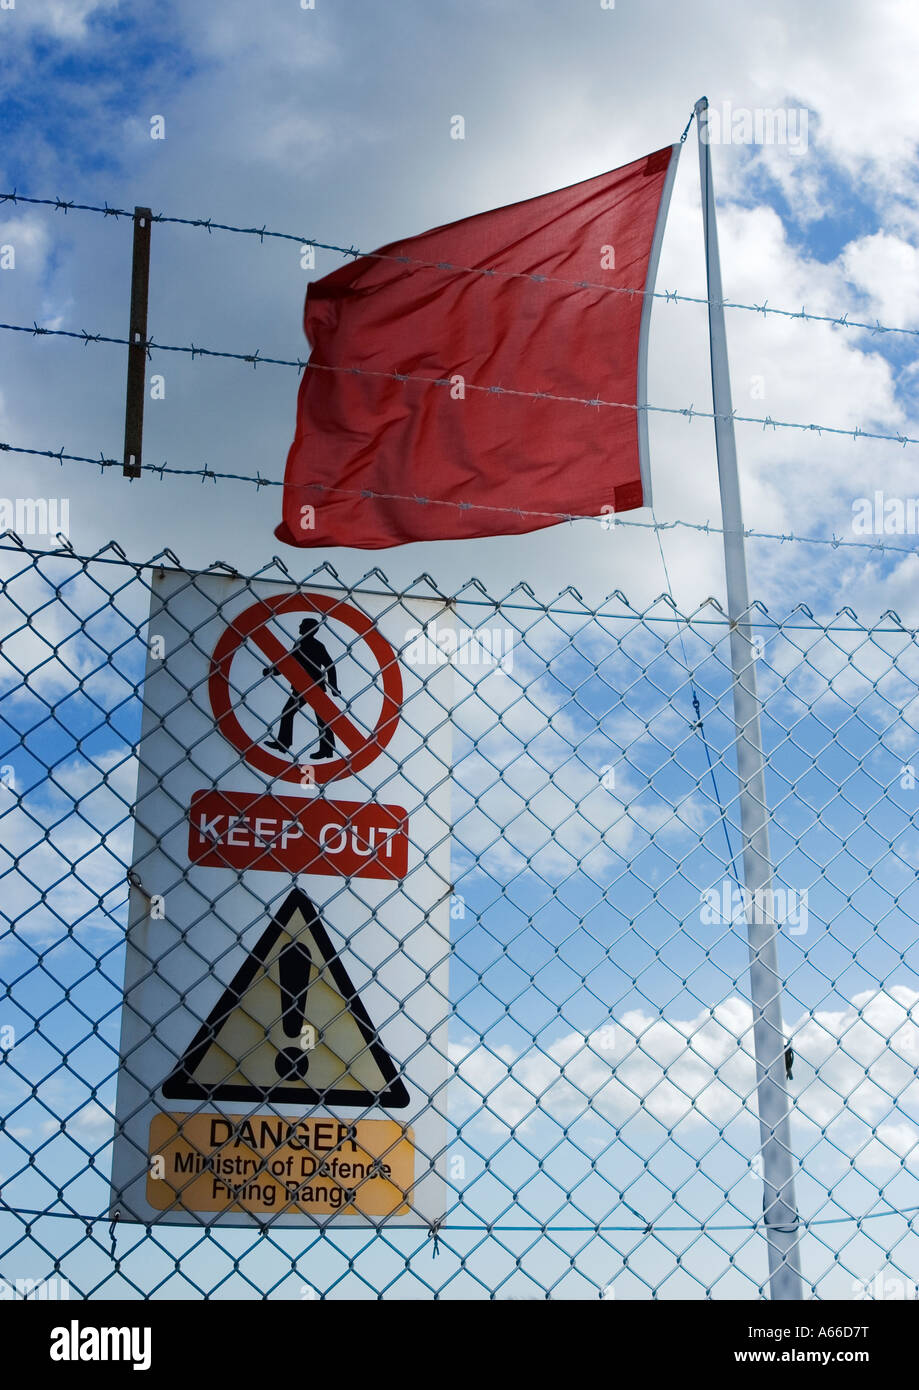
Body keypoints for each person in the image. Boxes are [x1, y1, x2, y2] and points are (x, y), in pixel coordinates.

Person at [263, 617, 340, 759]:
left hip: (314, 686)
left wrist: (334, 687)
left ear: (308, 629)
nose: (299, 625)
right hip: (302, 686)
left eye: (302, 624)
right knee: (294, 714)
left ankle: (325, 749)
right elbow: (289, 661)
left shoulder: (317, 646)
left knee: (319, 718)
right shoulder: (300, 644)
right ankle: (285, 743)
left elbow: (330, 665)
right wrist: (273, 671)